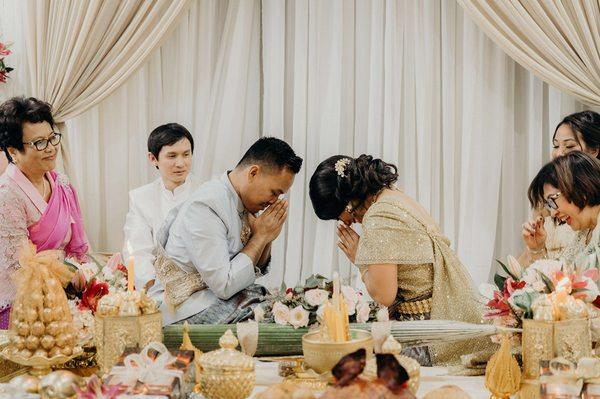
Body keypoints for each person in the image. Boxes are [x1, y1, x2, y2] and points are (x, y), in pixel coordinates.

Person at [309, 154, 486, 365]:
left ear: (345, 203)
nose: (346, 223)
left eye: (338, 217)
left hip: (424, 338)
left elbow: (385, 295)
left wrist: (361, 259)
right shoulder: (393, 196)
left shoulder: (378, 217)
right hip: (447, 319)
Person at [156, 137, 302, 325]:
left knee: (280, 304)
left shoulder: (240, 199)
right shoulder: (206, 205)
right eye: (274, 192)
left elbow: (252, 272)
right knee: (270, 315)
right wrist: (261, 236)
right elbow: (224, 285)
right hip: (184, 306)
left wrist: (268, 237)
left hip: (214, 297)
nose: (274, 201)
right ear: (253, 173)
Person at [0, 97, 89, 328]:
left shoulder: (61, 183)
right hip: (23, 310)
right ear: (13, 151)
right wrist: (66, 273)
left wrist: (82, 276)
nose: (50, 148)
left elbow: (78, 249)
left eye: (52, 138)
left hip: (66, 295)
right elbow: (17, 270)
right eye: (39, 142)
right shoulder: (7, 195)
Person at [123, 123, 199, 299]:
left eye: (186, 155)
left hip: (200, 287)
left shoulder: (206, 193)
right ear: (153, 158)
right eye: (172, 156)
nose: (181, 163)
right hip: (157, 289)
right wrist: (152, 288)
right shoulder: (141, 198)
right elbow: (137, 250)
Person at [519, 111, 600, 267]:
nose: (559, 153)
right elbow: (558, 281)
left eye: (569, 146)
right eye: (556, 146)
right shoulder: (582, 232)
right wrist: (537, 250)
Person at [527, 151, 600, 270]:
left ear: (580, 188)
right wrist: (537, 248)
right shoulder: (583, 236)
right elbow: (559, 280)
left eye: (552, 201)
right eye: (548, 205)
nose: (553, 213)